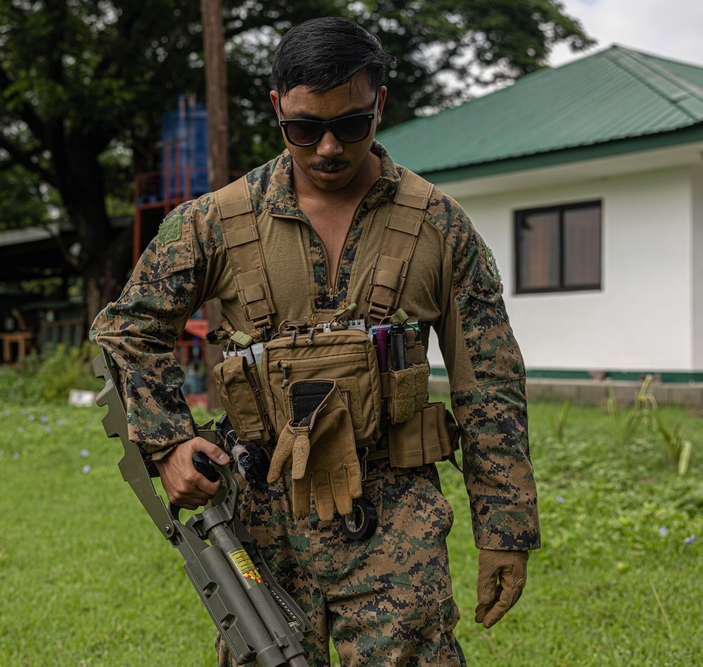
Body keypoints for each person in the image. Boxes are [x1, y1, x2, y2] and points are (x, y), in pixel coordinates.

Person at [90, 16, 540, 666]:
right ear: (276, 110)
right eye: (304, 129)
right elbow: (126, 328)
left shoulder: (440, 227)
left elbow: (490, 383)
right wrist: (166, 440)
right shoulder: (217, 221)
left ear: (380, 104)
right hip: (260, 513)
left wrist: (505, 528)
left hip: (394, 512)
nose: (328, 147)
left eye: (351, 124)